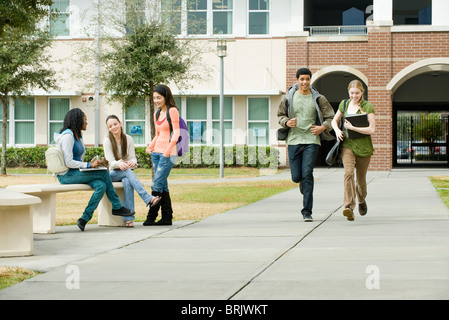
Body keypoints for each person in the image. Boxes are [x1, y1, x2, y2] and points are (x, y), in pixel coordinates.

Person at [55, 108, 133, 231]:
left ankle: (84, 218)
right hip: (67, 175)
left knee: (101, 185)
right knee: (103, 172)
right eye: (85, 120)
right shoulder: (68, 137)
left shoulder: (78, 136)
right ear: (78, 120)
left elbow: (78, 160)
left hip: (77, 172)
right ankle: (117, 206)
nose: (86, 123)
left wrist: (91, 164)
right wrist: (89, 166)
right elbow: (68, 162)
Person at [277, 68, 335, 222]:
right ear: (297, 80)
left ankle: (307, 212)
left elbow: (331, 116)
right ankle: (301, 182)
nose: (304, 82)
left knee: (308, 174)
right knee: (297, 177)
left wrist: (323, 127)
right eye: (302, 79)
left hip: (311, 140)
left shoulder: (319, 98)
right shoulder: (289, 97)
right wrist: (287, 122)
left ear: (310, 80)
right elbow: (280, 116)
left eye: (307, 79)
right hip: (294, 139)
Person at [103, 115, 161, 228]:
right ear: (108, 129)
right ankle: (148, 198)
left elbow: (133, 158)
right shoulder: (107, 141)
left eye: (115, 124)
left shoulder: (128, 139)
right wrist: (120, 163)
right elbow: (110, 162)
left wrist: (132, 163)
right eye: (110, 126)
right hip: (112, 174)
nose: (113, 127)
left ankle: (129, 219)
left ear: (120, 123)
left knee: (127, 181)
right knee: (127, 172)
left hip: (125, 171)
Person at [331, 80, 375, 221]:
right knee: (348, 173)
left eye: (357, 93)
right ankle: (349, 207)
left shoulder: (367, 106)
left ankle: (361, 200)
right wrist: (338, 130)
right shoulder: (344, 104)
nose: (354, 96)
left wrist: (353, 128)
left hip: (363, 147)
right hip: (347, 145)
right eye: (351, 93)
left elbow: (371, 129)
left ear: (362, 92)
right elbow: (334, 121)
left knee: (360, 180)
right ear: (348, 92)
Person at [143, 84, 180, 226]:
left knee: (157, 183)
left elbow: (176, 133)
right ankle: (167, 218)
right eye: (154, 98)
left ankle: (151, 216)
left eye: (159, 97)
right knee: (163, 186)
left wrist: (168, 150)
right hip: (156, 153)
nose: (156, 100)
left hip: (168, 154)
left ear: (166, 97)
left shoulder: (173, 111)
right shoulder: (157, 114)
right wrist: (150, 146)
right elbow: (158, 134)